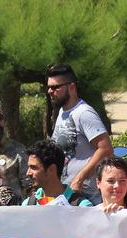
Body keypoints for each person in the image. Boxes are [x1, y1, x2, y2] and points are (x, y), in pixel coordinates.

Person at [47, 64, 114, 195]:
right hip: (67, 192)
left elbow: (106, 149)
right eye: (49, 87)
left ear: (71, 87)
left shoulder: (84, 113)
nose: (50, 91)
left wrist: (80, 178)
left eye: (55, 87)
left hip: (86, 195)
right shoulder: (62, 112)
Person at [23, 139, 90, 209]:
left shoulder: (82, 206)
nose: (28, 173)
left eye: (33, 167)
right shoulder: (27, 205)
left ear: (51, 169)